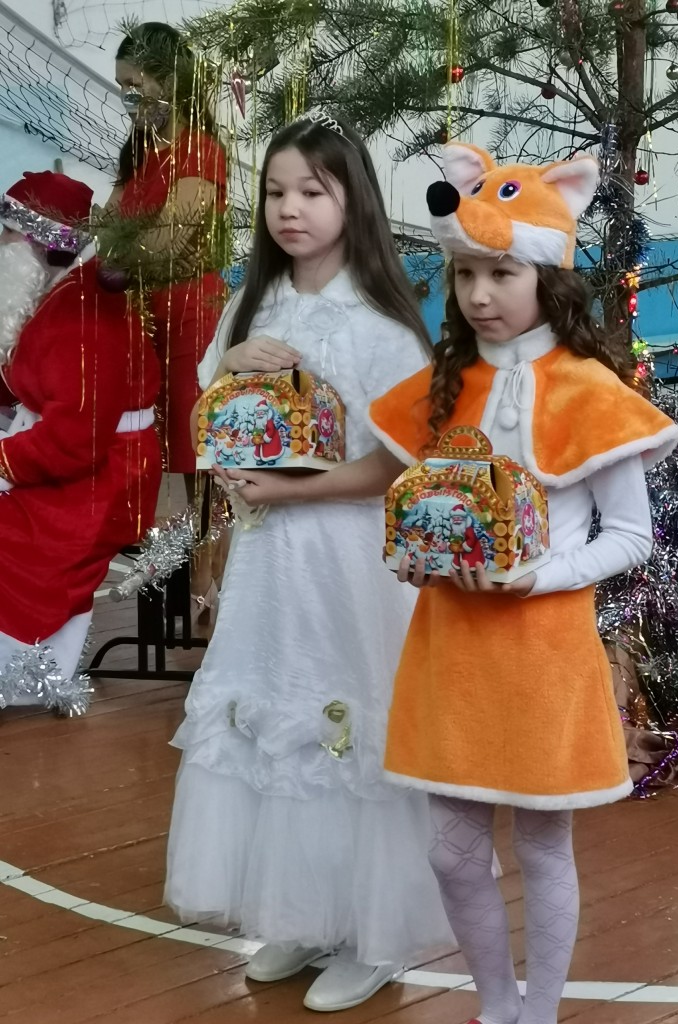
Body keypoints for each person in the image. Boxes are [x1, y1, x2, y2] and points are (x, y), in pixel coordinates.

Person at [215, 142, 678, 1024]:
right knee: (451, 853)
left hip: (543, 655)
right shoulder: (445, 386)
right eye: (465, 274)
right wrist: (413, 552)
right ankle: (495, 1001)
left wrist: (541, 576)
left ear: (547, 277)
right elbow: (414, 501)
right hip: (449, 647)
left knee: (542, 845)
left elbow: (629, 536)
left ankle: (537, 1011)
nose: (478, 295)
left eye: (501, 273)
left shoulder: (590, 391)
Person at [164, 112, 452, 1011]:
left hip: (344, 562)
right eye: (276, 192)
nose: (290, 209)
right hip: (267, 563)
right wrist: (228, 364)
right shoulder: (252, 306)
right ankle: (298, 911)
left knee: (343, 721)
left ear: (352, 200)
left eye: (312, 192)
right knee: (275, 713)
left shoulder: (382, 327)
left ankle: (370, 935)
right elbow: (214, 420)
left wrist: (294, 492)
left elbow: (397, 465)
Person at [0, 170, 161, 712]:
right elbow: (37, 378)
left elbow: (75, 439)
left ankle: (20, 674)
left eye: (8, 233)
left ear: (37, 244)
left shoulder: (79, 314)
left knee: (11, 544)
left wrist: (3, 459)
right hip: (87, 458)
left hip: (101, 478)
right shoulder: (64, 289)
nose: (1, 242)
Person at [108, 21, 228, 614]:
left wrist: (119, 247)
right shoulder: (138, 155)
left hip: (189, 315)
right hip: (138, 317)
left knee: (195, 452)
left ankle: (203, 580)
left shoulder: (201, 150)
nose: (128, 99)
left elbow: (165, 241)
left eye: (136, 85)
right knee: (143, 444)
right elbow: (110, 233)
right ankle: (163, 571)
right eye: (122, 87)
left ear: (171, 82)